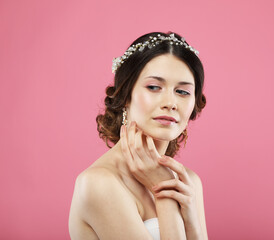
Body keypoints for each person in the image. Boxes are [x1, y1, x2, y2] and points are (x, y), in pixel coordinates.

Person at [69, 31, 208, 240]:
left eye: (182, 92)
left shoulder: (189, 182)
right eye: (154, 87)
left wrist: (190, 219)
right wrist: (165, 196)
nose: (170, 102)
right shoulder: (99, 184)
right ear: (126, 95)